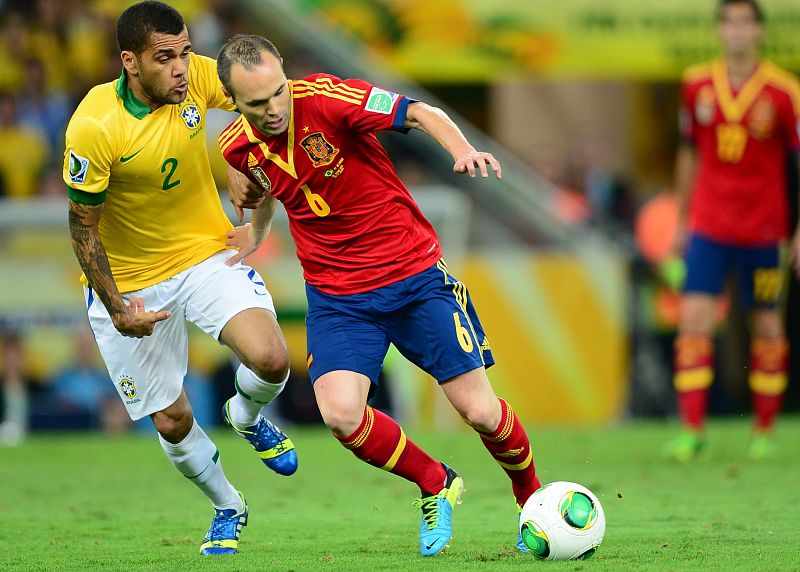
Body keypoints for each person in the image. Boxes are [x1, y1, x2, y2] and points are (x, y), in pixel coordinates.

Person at [216, 34, 542, 556]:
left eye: (279, 92)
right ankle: (435, 483)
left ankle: (531, 500)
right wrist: (255, 232)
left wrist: (461, 149)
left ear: (286, 75)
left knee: (479, 411)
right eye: (257, 103)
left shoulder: (327, 99)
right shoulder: (235, 145)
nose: (274, 108)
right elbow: (266, 186)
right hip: (338, 298)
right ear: (233, 101)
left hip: (413, 278)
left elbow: (418, 111)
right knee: (341, 414)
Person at [62, 2, 297, 555]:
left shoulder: (191, 78)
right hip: (132, 283)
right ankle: (227, 506)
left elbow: (259, 95)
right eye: (164, 57)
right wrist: (117, 306)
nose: (180, 68)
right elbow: (81, 226)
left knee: (271, 358)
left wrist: (246, 162)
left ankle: (245, 413)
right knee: (170, 420)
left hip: (204, 255)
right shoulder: (95, 126)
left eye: (185, 53)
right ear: (130, 61)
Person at [663, 0, 800, 461]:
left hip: (764, 233)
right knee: (693, 321)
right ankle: (691, 430)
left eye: (745, 22)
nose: (737, 31)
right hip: (710, 229)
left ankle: (762, 431)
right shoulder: (697, 85)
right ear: (720, 31)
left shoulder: (784, 92)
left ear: (759, 32)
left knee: (765, 324)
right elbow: (688, 153)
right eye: (729, 22)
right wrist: (682, 221)